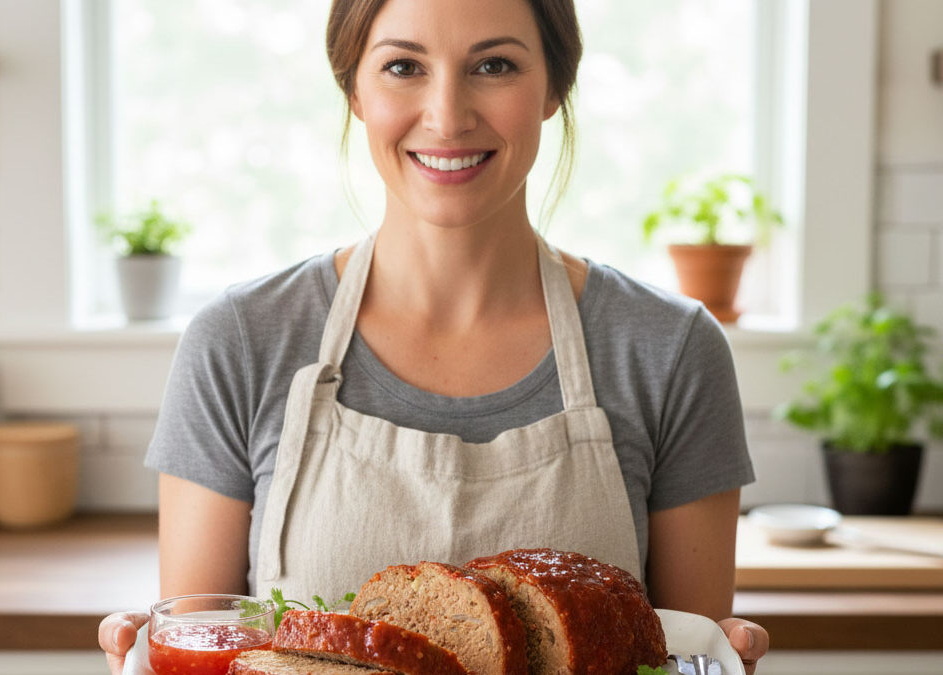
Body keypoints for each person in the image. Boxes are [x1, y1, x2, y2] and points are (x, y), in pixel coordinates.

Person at [99, 0, 771, 672]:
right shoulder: (241, 343)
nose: (448, 116)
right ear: (353, 87)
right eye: (402, 66)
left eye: (494, 64)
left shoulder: (671, 350)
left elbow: (688, 653)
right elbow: (197, 642)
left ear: (555, 87)